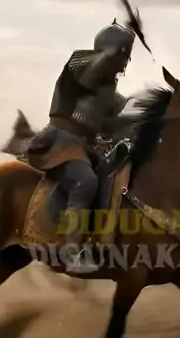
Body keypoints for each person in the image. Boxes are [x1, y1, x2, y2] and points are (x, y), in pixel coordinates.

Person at [27, 19, 135, 273]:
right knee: (85, 181)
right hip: (60, 140)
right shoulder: (78, 66)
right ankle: (72, 252)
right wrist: (111, 52)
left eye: (126, 59)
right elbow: (91, 69)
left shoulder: (109, 93)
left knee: (114, 177)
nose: (124, 65)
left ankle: (97, 242)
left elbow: (124, 117)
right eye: (123, 58)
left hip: (87, 148)